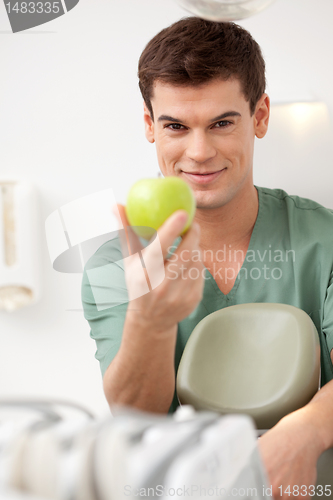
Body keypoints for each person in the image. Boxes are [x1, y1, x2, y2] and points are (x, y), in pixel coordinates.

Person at [81, 17, 333, 499]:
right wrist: (150, 323)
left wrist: (307, 429)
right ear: (151, 127)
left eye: (221, 123)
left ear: (259, 117)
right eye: (176, 126)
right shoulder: (115, 266)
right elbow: (138, 417)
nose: (199, 152)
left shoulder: (325, 240)